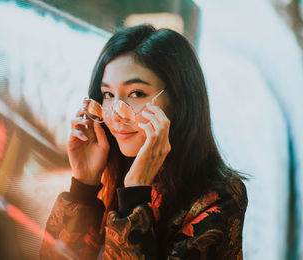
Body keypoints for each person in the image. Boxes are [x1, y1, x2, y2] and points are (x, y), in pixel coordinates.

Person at [39, 24, 248, 260]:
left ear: (179, 101)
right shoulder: (115, 170)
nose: (115, 114)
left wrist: (136, 193)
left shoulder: (220, 197)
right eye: (108, 95)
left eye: (136, 93)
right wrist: (84, 187)